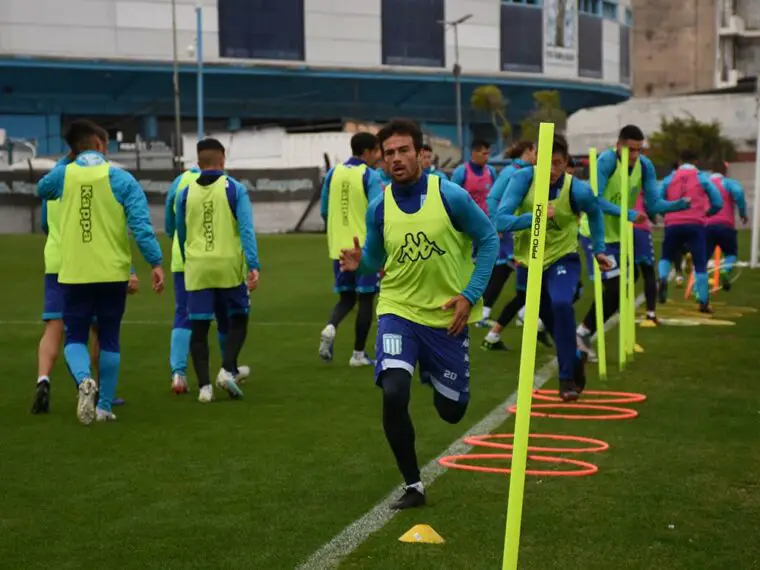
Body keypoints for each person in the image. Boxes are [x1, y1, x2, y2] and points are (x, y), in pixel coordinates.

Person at [339, 119, 498, 510]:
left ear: (420, 154)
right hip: (398, 309)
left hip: (447, 317)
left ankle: (429, 368)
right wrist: (361, 262)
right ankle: (413, 485)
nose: (396, 159)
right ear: (381, 160)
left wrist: (469, 294)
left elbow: (489, 239)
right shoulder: (379, 208)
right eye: (388, 153)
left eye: (403, 151)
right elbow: (377, 259)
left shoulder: (451, 197)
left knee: (452, 411)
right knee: (393, 392)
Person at [37, 121, 164, 424]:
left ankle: (83, 379)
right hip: (112, 273)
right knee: (109, 337)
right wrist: (155, 263)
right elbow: (141, 228)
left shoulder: (64, 175)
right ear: (98, 144)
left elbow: (42, 188)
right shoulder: (121, 179)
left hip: (75, 273)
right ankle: (105, 405)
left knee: (76, 337)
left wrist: (70, 165)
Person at [496, 134, 612, 401]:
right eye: (546, 163)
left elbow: (594, 212)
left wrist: (600, 249)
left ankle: (566, 379)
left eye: (558, 163)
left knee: (561, 304)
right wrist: (534, 216)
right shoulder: (522, 179)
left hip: (563, 258)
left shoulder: (576, 189)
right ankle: (575, 357)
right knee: (550, 319)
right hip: (529, 261)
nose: (551, 170)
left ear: (565, 162)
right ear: (536, 158)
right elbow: (501, 220)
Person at [575, 125, 689, 360]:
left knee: (629, 282)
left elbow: (655, 204)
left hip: (619, 236)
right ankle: (581, 333)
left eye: (639, 149)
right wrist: (627, 214)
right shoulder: (605, 162)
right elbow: (594, 201)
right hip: (595, 234)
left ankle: (583, 332)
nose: (635, 155)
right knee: (616, 288)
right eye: (630, 149)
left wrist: (678, 205)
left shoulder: (645, 166)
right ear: (618, 144)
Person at [176, 138, 260, 403]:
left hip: (198, 267)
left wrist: (190, 256)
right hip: (227, 266)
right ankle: (226, 369)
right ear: (223, 160)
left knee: (199, 328)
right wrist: (254, 264)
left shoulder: (185, 191)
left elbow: (181, 231)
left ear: (198, 163)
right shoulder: (234, 188)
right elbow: (246, 229)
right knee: (238, 320)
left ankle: (204, 388)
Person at [165, 166, 250, 393]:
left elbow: (169, 223)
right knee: (226, 316)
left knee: (185, 314)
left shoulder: (181, 181)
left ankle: (179, 374)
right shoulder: (227, 184)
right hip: (219, 258)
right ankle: (228, 369)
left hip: (186, 258)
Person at [318, 132, 384, 366]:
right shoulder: (370, 175)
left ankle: (330, 326)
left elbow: (324, 210)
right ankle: (358, 354)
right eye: (376, 151)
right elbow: (379, 211)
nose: (378, 156)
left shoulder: (333, 173)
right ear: (367, 152)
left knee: (346, 298)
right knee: (366, 299)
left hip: (338, 247)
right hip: (363, 248)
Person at [477, 140, 536, 331]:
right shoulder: (511, 172)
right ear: (527, 151)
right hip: (509, 229)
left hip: (519, 229)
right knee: (504, 268)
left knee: (517, 268)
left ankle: (523, 311)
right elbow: (493, 197)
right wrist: (496, 224)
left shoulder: (529, 173)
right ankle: (485, 312)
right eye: (536, 151)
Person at [657, 150, 723, 312]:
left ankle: (663, 278)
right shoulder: (702, 178)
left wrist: (666, 213)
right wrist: (708, 212)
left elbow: (657, 200)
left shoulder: (669, 178)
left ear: (679, 161)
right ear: (696, 161)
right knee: (700, 263)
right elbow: (717, 201)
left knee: (666, 255)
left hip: (673, 223)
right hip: (695, 223)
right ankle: (703, 301)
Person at [706, 161, 748, 291]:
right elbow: (739, 194)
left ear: (711, 170)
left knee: (703, 257)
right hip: (726, 225)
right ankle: (726, 269)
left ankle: (698, 291)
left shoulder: (705, 183)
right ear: (725, 171)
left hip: (707, 225)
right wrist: (743, 213)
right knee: (731, 253)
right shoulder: (729, 183)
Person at [632, 192, 660, 324]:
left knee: (626, 272)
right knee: (648, 271)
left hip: (619, 229)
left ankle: (620, 306)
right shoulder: (641, 177)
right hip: (639, 227)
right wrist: (653, 217)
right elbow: (650, 204)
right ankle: (651, 313)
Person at [451, 139, 497, 216]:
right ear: (474, 153)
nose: (487, 157)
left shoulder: (491, 171)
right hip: (468, 219)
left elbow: (496, 196)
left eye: (488, 154)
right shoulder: (461, 171)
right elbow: (452, 196)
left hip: (487, 219)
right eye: (484, 154)